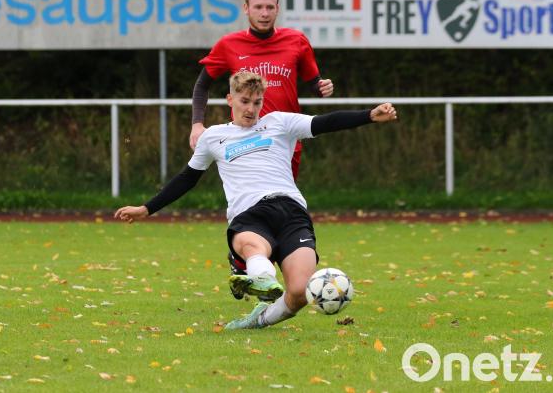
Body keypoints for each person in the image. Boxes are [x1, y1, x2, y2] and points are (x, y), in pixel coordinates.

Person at [115, 71, 397, 330]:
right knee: (253, 245)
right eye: (244, 101)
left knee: (300, 292)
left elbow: (325, 122)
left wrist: (369, 115)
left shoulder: (279, 123)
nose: (251, 109)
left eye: (257, 102)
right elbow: (187, 178)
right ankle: (261, 278)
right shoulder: (214, 137)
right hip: (250, 213)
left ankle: (257, 319)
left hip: (291, 211)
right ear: (230, 99)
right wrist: (146, 208)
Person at [188, 0, 335, 288]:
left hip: (285, 143)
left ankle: (264, 266)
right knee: (250, 199)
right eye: (258, 7)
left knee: (282, 206)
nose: (265, 13)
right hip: (247, 141)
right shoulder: (229, 45)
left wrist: (322, 86)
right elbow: (202, 84)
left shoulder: (297, 41)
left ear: (277, 9)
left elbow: (312, 80)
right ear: (246, 9)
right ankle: (250, 261)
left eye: (270, 7)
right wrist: (197, 123)